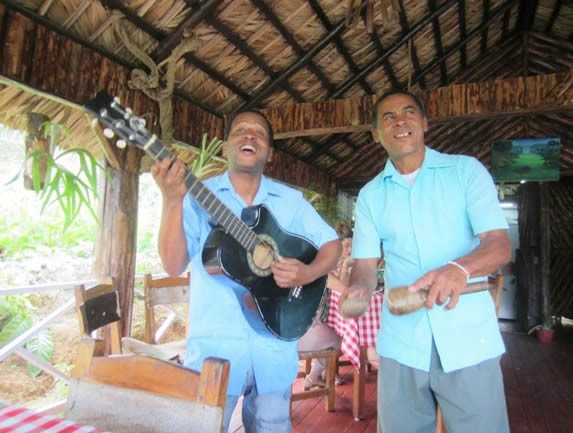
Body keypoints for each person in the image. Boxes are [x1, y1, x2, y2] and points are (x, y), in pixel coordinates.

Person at [151, 110, 341, 433]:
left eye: (258, 133)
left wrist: (307, 274)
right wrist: (171, 201)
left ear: (269, 152)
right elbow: (173, 265)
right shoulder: (198, 198)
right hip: (214, 355)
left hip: (274, 351)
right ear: (226, 146)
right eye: (240, 131)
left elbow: (332, 246)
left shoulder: (291, 202)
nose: (249, 136)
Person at [340, 89, 511, 433]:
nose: (399, 120)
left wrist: (459, 269)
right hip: (402, 343)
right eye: (388, 117)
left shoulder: (465, 172)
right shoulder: (372, 195)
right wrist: (358, 288)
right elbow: (365, 264)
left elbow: (499, 245)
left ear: (424, 123)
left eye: (408, 112)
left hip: (467, 340)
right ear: (376, 134)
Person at [296, 220, 351, 389]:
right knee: (345, 341)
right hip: (301, 336)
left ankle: (323, 372)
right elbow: (344, 289)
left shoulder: (306, 263)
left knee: (336, 332)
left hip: (295, 330)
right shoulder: (320, 271)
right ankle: (314, 376)